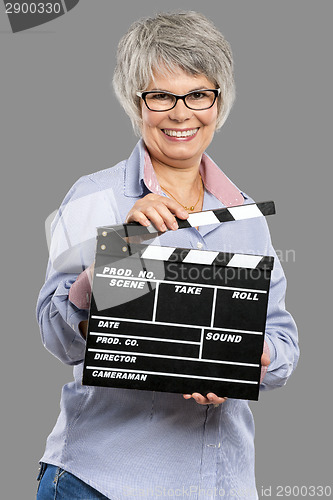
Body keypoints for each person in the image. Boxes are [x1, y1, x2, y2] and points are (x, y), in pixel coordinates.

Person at [36, 11, 299, 500]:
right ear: (136, 103)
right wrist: (120, 250)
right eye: (161, 95)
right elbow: (59, 337)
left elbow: (282, 341)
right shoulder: (97, 197)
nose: (182, 114)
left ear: (219, 102)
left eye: (199, 94)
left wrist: (247, 359)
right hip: (104, 483)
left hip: (224, 486)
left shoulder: (247, 216)